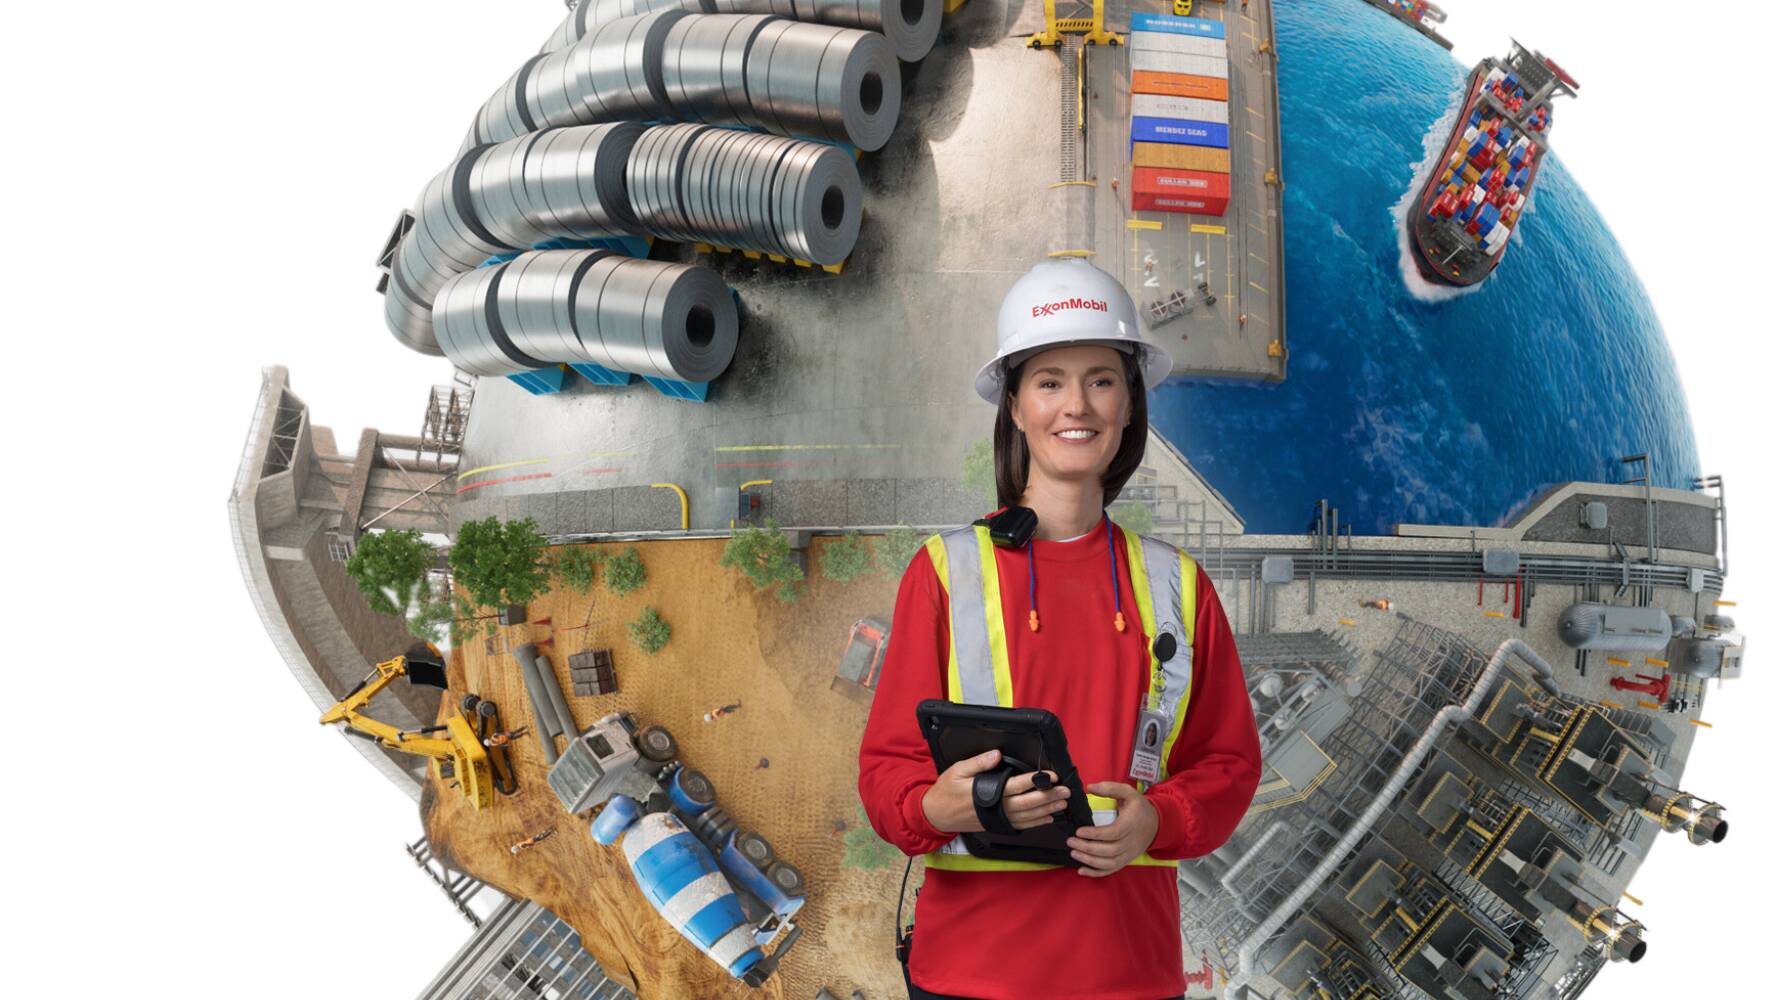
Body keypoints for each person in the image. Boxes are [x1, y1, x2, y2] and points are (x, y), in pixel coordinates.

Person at [857, 258, 1261, 1000]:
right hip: (970, 978)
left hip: (1129, 975)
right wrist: (939, 807)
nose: (1078, 404)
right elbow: (886, 774)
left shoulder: (1181, 586)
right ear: (1014, 406)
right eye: (1050, 381)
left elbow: (1228, 765)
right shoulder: (944, 573)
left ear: (1130, 404)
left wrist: (1159, 821)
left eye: (1102, 379)